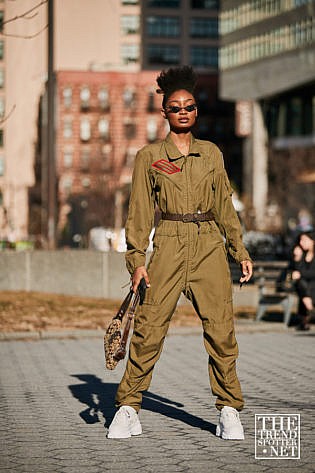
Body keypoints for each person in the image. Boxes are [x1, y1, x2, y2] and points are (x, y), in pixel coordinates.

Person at [108, 66, 253, 440]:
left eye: (189, 106)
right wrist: (137, 261)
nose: (183, 111)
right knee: (149, 330)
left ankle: (228, 410)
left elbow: (224, 206)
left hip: (208, 245)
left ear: (196, 111)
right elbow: (139, 213)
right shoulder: (149, 156)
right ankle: (128, 407)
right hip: (168, 244)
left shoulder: (212, 155)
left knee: (221, 332)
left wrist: (240, 251)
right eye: (175, 107)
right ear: (165, 113)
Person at [291, 231, 315, 330]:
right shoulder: (301, 254)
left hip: (312, 285)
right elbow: (295, 271)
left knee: (304, 286)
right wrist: (297, 258)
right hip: (304, 285)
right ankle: (310, 309)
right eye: (300, 240)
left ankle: (304, 320)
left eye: (304, 240)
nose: (301, 242)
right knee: (301, 283)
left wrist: (301, 274)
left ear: (313, 241)